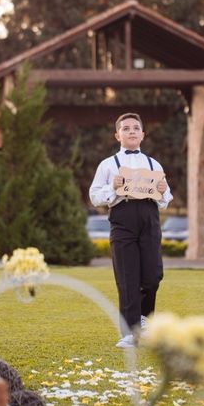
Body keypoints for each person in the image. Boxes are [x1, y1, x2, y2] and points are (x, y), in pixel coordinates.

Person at [89, 112, 173, 348]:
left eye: (136, 128)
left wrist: (163, 189)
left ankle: (145, 322)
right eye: (126, 128)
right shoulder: (107, 165)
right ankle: (129, 331)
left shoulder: (153, 164)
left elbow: (165, 199)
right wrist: (112, 188)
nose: (132, 131)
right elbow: (95, 196)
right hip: (122, 217)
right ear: (118, 135)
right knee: (127, 276)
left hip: (149, 219)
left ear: (143, 134)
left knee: (153, 275)